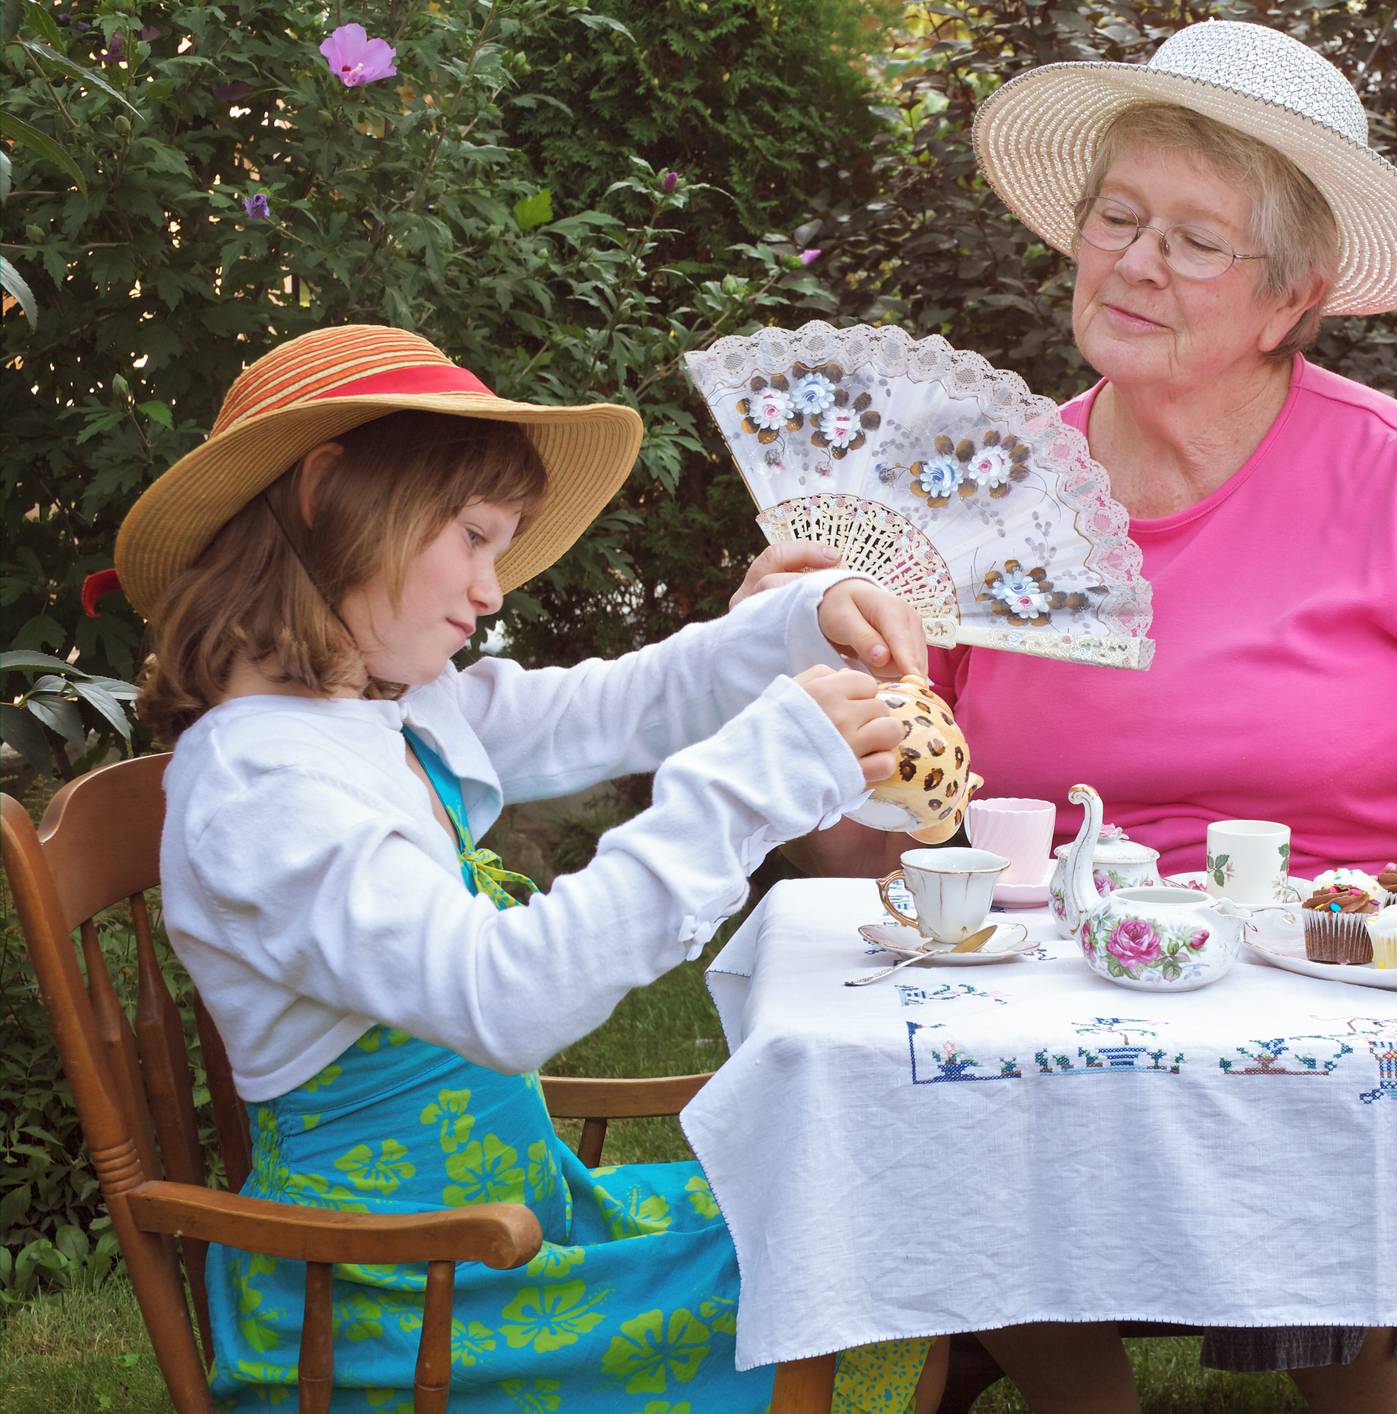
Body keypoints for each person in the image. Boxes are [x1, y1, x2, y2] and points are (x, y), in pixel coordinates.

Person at [780, 19, 1397, 1414]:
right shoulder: (980, 497)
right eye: (1118, 218)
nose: (1138, 261)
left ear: (1294, 297)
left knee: (1325, 1116)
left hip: (1351, 1000)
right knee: (965, 1092)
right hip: (1072, 1003)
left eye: (1197, 239)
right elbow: (867, 854)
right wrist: (809, 714)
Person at [118, 324, 943, 1412]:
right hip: (395, 1297)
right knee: (852, 1263)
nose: (493, 587)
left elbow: (615, 705)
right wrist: (750, 783)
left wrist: (797, 620)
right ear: (326, 492)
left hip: (499, 1235)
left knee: (868, 1212)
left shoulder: (383, 706)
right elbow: (503, 997)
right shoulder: (262, 786)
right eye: (472, 536)